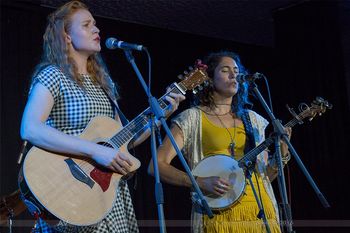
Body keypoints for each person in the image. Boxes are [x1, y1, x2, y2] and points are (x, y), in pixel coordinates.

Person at [20, 1, 185, 232]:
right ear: (66, 36)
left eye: (95, 25)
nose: (97, 30)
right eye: (87, 25)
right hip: (69, 193)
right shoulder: (53, 76)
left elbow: (124, 141)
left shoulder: (104, 84)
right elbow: (30, 128)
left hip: (105, 195)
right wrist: (95, 150)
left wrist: (162, 114)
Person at [149, 51, 291, 233]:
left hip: (260, 212)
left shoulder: (253, 120)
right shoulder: (192, 118)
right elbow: (156, 165)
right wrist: (198, 182)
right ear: (209, 78)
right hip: (218, 215)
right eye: (225, 70)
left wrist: (283, 152)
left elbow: (265, 178)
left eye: (236, 70)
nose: (234, 75)